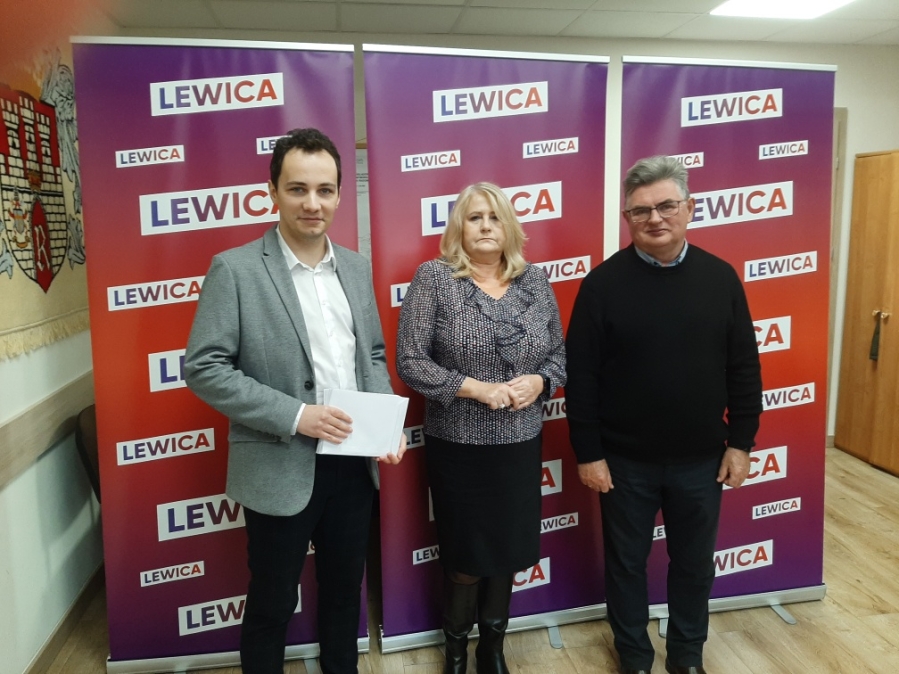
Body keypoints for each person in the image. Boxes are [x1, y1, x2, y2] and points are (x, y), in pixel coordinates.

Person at [184, 127, 405, 674]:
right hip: (279, 463)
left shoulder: (355, 266)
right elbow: (204, 368)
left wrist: (384, 422)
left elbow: (373, 355)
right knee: (273, 601)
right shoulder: (235, 269)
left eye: (325, 190)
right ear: (273, 192)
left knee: (344, 594)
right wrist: (297, 416)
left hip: (352, 461)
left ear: (338, 194)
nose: (313, 203)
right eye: (298, 189)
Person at [565, 156, 763, 674]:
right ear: (627, 218)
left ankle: (687, 656)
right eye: (641, 210)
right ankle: (634, 656)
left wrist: (741, 443)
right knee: (626, 566)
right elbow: (581, 378)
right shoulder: (601, 285)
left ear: (689, 208)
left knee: (694, 566)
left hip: (703, 461)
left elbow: (744, 367)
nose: (655, 218)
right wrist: (589, 453)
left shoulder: (721, 279)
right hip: (623, 463)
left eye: (666, 206)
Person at [396, 182, 566, 674]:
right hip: (459, 446)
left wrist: (540, 380)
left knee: (507, 551)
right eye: (475, 218)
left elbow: (559, 354)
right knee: (466, 555)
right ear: (459, 228)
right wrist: (475, 388)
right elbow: (410, 361)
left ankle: (492, 649)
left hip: (518, 444)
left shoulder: (535, 281)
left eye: (494, 217)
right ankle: (455, 653)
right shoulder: (434, 278)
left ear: (509, 226)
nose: (486, 226)